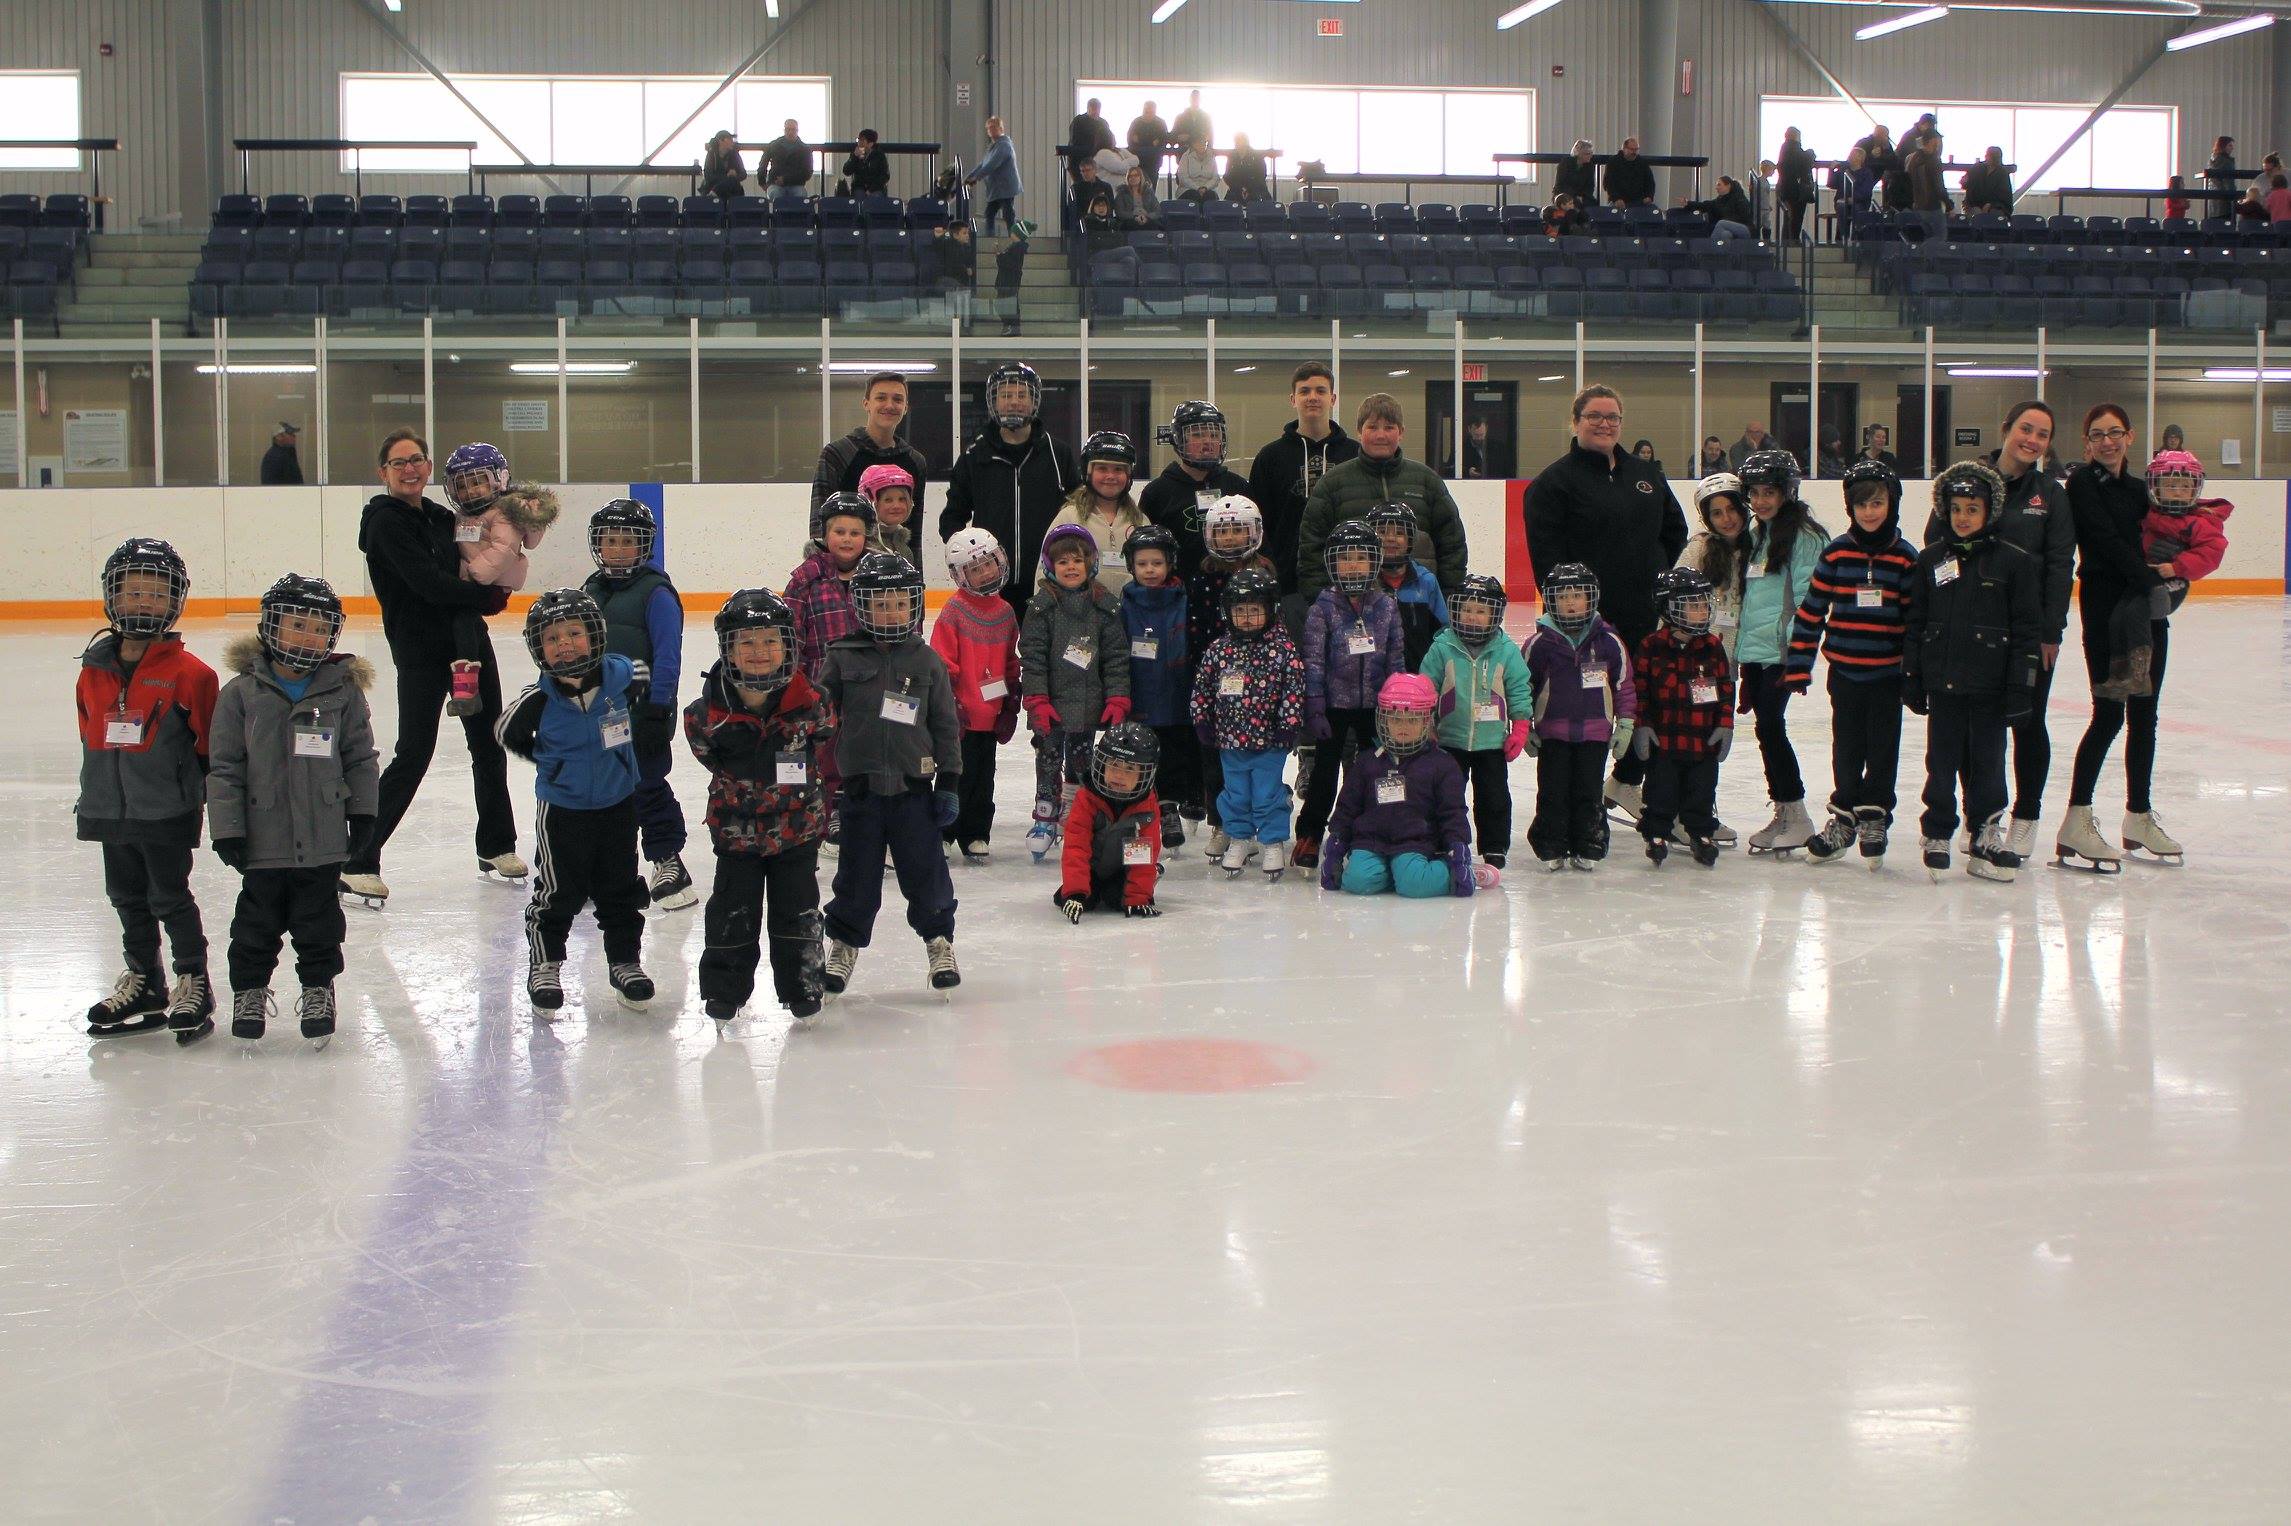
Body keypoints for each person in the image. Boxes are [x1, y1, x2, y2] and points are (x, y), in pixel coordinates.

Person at [343, 430, 520, 907]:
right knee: (414, 754)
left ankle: (497, 846)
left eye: (417, 460)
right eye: (398, 463)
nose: (409, 469)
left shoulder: (445, 517)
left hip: (469, 644)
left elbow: (476, 557)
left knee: (489, 744)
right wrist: (485, 597)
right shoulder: (383, 523)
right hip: (421, 650)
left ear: (428, 468)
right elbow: (427, 583)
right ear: (383, 473)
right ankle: (358, 858)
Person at [208, 575, 378, 1044]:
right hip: (263, 837)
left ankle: (319, 989)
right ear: (270, 627)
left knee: (319, 922)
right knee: (255, 924)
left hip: (323, 838)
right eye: (296, 625)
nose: (307, 637)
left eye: (318, 629)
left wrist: (363, 814)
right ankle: (250, 991)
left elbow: (361, 757)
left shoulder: (342, 692)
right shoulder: (240, 694)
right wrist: (228, 828)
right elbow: (224, 768)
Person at [1521, 384, 1688, 825]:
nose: (1605, 424)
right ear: (1575, 422)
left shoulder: (1647, 475)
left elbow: (1674, 532)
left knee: (1650, 705)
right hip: (1588, 627)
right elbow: (1546, 560)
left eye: (1612, 416)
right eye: (1594, 416)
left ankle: (1630, 783)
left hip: (1644, 616)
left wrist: (1656, 581)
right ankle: (1577, 807)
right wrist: (1570, 616)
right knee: (1588, 716)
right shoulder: (1553, 484)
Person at [77, 537, 220, 1041]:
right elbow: (89, 734)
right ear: (112, 598)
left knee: (169, 896)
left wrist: (200, 805)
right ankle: (145, 981)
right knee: (125, 897)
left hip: (165, 810)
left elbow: (209, 751)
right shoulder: (91, 669)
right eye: (132, 592)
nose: (143, 603)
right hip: (109, 808)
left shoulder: (193, 675)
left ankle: (192, 979)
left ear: (175, 602)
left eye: (156, 595)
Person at [1919, 400, 2072, 861]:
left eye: (2042, 434)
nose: (2032, 440)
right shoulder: (1968, 479)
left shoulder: (2051, 493)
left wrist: (2050, 631)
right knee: (1967, 728)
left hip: (2025, 633)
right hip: (1968, 628)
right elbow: (1936, 542)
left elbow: (2061, 564)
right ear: (2005, 429)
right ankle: (1978, 819)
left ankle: (2024, 817)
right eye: (2026, 428)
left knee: (2026, 722)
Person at [497, 589, 655, 1013]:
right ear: (538, 649)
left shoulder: (620, 677)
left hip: (618, 804)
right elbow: (505, 731)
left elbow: (640, 671)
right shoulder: (537, 701)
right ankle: (545, 963)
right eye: (551, 638)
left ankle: (625, 961)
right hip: (563, 812)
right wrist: (548, 763)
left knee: (619, 888)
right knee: (558, 891)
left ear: (595, 636)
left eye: (574, 633)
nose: (564, 644)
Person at [684, 588, 833, 1025]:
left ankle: (803, 985)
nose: (759, 652)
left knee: (798, 911)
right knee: (732, 912)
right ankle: (724, 989)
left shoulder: (813, 703)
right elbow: (704, 751)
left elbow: (822, 737)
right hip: (736, 835)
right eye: (746, 642)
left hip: (798, 831)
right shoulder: (706, 714)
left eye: (770, 640)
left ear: (788, 645)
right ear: (727, 649)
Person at [818, 553, 963, 994]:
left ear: (915, 604)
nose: (890, 612)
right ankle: (843, 945)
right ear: (860, 606)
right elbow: (819, 714)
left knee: (926, 872)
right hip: (860, 791)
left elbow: (944, 725)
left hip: (913, 791)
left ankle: (939, 940)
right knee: (856, 876)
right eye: (880, 604)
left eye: (899, 603)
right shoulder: (841, 657)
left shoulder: (927, 661)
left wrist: (950, 781)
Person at [2054, 418, 2184, 872]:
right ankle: (2077, 818)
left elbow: (2166, 533)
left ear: (2129, 437)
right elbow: (2106, 542)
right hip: (2107, 613)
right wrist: (2150, 578)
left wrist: (2178, 567)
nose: (2107, 441)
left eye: (2115, 433)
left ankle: (2139, 816)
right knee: (2108, 714)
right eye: (2097, 435)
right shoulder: (2081, 485)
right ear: (2087, 443)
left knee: (2145, 715)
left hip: (2146, 612)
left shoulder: (2140, 488)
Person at [1903, 463, 2042, 884]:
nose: (1963, 517)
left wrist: (2021, 688)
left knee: (1988, 762)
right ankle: (1938, 831)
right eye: (1957, 508)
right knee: (1941, 762)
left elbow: (2025, 632)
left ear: (1990, 512)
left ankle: (1985, 829)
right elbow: (1915, 623)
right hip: (1944, 685)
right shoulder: (1931, 561)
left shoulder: (2013, 563)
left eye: (1973, 509)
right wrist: (1913, 674)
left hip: (1990, 688)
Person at [1784, 460, 1917, 867]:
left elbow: (1915, 624)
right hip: (1844, 674)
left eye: (1877, 503)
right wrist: (1798, 664)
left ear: (1891, 503)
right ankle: (1843, 817)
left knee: (1882, 751)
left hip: (1887, 676)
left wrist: (1914, 676)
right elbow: (1811, 612)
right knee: (1846, 749)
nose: (1869, 512)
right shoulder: (1837, 553)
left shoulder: (1905, 558)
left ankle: (1874, 815)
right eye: (1861, 505)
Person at [581, 500, 690, 912]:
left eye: (628, 541)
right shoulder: (591, 589)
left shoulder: (656, 592)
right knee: (604, 791)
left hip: (644, 711)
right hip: (598, 713)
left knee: (645, 785)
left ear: (644, 545)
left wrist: (658, 706)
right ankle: (609, 866)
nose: (619, 549)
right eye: (610, 541)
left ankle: (668, 861)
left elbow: (668, 654)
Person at [1292, 521, 1405, 873]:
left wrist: (1395, 704)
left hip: (1375, 706)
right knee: (1324, 773)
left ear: (1375, 562)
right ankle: (1310, 833)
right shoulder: (1322, 609)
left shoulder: (1386, 607)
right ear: (1332, 563)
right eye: (1345, 558)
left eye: (1361, 557)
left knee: (1377, 770)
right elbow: (1311, 662)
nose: (1353, 565)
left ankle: (1373, 830)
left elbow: (1396, 657)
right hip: (1333, 707)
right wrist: (1315, 707)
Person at [1731, 448, 1825, 856]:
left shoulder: (1804, 537)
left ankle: (1797, 812)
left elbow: (1809, 600)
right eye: (1754, 493)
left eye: (1770, 491)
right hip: (1754, 652)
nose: (1761, 501)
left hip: (1780, 653)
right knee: (1766, 729)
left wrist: (1796, 655)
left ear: (1788, 491)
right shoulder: (1756, 535)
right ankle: (1786, 810)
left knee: (1772, 728)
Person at [1020, 525, 1131, 862]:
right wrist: (1037, 699)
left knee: (1081, 761)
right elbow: (1033, 657)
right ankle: (1045, 814)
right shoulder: (1041, 608)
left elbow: (1115, 659)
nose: (1070, 567)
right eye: (1063, 562)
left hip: (1087, 703)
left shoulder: (1105, 608)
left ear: (1090, 565)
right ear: (1050, 566)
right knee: (1048, 759)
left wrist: (1117, 697)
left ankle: (1075, 811)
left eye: (1077, 561)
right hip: (1051, 706)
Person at [1315, 673, 1476, 899]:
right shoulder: (1367, 761)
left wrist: (1458, 851)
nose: (1403, 726)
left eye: (1412, 720)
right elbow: (1347, 807)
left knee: (1415, 885)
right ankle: (1396, 873)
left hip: (1416, 842)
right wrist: (1336, 845)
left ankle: (1443, 871)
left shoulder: (1442, 764)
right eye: (1395, 718)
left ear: (1426, 721)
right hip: (1370, 841)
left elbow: (1452, 813)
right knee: (1357, 882)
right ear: (1383, 720)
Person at [939, 363, 1078, 620]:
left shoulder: (1059, 455)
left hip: (1047, 581)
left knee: (1042, 657)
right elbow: (952, 517)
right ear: (994, 401)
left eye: (1021, 395)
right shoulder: (974, 457)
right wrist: (968, 559)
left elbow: (1079, 511)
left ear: (1034, 400)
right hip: (989, 585)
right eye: (1005, 395)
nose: (1014, 402)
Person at [1191, 568, 1305, 878]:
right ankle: (1239, 837)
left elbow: (1293, 691)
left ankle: (1272, 841)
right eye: (1239, 611)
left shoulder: (1282, 650)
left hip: (1269, 741)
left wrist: (1288, 724)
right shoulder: (1219, 650)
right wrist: (1202, 719)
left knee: (1267, 793)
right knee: (1236, 793)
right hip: (1230, 739)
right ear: (1227, 613)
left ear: (1270, 611)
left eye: (1254, 611)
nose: (1247, 618)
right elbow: (1202, 688)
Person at [1296, 393, 1469, 598]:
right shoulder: (1332, 483)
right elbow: (1311, 549)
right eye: (1372, 427)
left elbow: (1452, 545)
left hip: (1420, 607)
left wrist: (1449, 597)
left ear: (1401, 432)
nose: (1381, 435)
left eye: (1389, 427)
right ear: (1359, 432)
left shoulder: (1427, 481)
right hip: (1351, 606)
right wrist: (1324, 603)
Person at [1522, 562, 1636, 870]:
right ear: (1551, 600)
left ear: (1591, 598)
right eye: (1563, 596)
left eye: (1578, 595)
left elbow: (1624, 685)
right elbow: (1523, 687)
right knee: (1552, 792)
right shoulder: (1539, 644)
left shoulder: (1609, 641)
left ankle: (1589, 842)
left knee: (1588, 792)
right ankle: (1551, 843)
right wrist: (1523, 726)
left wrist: (1625, 723)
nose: (1571, 602)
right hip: (1553, 734)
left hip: (1595, 734)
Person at [786, 491, 877, 854]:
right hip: (820, 684)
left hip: (869, 683)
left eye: (855, 532)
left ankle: (862, 814)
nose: (847, 539)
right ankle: (827, 813)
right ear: (825, 534)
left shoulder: (878, 574)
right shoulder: (805, 579)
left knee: (865, 751)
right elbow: (791, 635)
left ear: (866, 536)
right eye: (839, 531)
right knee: (825, 753)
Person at [1188, 497, 1279, 857]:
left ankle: (1261, 826)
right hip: (1217, 681)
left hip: (1258, 687)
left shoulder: (1266, 574)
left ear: (1254, 531)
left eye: (1237, 529)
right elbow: (1194, 630)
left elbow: (1277, 630)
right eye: (1222, 531)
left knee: (1259, 767)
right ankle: (1221, 824)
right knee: (1216, 762)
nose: (1229, 538)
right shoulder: (1203, 576)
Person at [1421, 574, 1531, 869]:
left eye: (1481, 611)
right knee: (1447, 795)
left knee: (1494, 798)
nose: (1473, 616)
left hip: (1491, 742)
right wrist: (1426, 725)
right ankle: (1447, 840)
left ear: (1494, 615)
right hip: (1449, 740)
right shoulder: (1442, 648)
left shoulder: (1506, 651)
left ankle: (1494, 846)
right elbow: (1426, 688)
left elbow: (1519, 688)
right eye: (1467, 609)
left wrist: (1520, 727)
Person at [927, 529, 1022, 863]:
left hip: (991, 714)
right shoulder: (953, 612)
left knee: (984, 777)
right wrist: (949, 702)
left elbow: (1011, 660)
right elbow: (941, 661)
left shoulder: (1006, 612)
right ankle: (944, 832)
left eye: (989, 564)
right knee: (955, 775)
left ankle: (976, 832)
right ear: (959, 575)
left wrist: (1011, 699)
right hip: (961, 716)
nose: (985, 572)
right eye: (975, 568)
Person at [443, 443, 558, 717]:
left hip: (488, 585)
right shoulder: (468, 514)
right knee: (461, 624)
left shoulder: (504, 512)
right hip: (474, 581)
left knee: (462, 620)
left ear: (499, 479)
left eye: (478, 482)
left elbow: (503, 550)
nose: (470, 491)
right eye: (463, 485)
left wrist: (471, 575)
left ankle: (466, 688)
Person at [1628, 566, 1732, 868]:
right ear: (1668, 607)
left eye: (1703, 604)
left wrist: (1725, 724)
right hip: (1665, 741)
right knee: (1661, 790)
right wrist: (1643, 725)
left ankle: (1700, 833)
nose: (1701, 611)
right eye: (1692, 605)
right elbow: (1641, 691)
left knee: (1701, 790)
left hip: (1703, 740)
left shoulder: (1713, 647)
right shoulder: (1651, 646)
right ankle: (1657, 833)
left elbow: (1725, 689)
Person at [1246, 362, 1359, 592]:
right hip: (1286, 582)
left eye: (1320, 391)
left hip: (1347, 580)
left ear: (1333, 399)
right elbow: (1258, 521)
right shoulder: (1270, 457)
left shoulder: (1355, 454)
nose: (1312, 397)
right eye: (1304, 391)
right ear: (1293, 399)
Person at [1119, 525, 1196, 852]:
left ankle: (1169, 807)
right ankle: (1142, 815)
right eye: (1142, 564)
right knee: (1139, 759)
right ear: (1131, 567)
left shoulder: (1184, 601)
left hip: (1177, 697)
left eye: (1157, 563)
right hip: (1139, 697)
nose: (1150, 570)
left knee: (1175, 756)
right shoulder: (1123, 605)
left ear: (1170, 564)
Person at [1055, 724, 1166, 921]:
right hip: (1092, 869)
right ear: (1101, 764)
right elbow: (1076, 848)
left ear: (1144, 774)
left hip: (1121, 870)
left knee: (1119, 901)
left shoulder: (1146, 807)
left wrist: (1139, 897)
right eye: (1113, 764)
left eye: (1130, 768)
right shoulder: (1086, 798)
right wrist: (1075, 892)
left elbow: (1143, 857)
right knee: (1080, 900)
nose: (1119, 775)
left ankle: (1152, 876)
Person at [1141, 399, 1251, 577]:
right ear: (1178, 439)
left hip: (1234, 592)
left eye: (1214, 435)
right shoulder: (1157, 493)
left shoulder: (1238, 487)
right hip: (1177, 592)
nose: (1208, 442)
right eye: (1198, 435)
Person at [812, 371, 930, 514]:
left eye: (898, 400)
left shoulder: (916, 461)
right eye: (881, 398)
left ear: (905, 407)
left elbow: (914, 525)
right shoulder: (837, 454)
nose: (889, 405)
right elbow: (820, 519)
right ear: (866, 404)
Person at [1052, 430, 1152, 594]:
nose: (1110, 476)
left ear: (1129, 475)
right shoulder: (1069, 518)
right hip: (1080, 616)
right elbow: (1045, 571)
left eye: (1119, 469)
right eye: (1102, 468)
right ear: (1088, 471)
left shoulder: (1140, 522)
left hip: (1129, 616)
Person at [1367, 500, 1449, 671]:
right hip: (1375, 680)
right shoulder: (1364, 583)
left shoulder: (1426, 581)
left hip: (1418, 678)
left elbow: (1443, 631)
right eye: (1382, 532)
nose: (1390, 538)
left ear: (1410, 540)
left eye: (1399, 533)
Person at [966, 118, 1022, 237]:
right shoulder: (993, 147)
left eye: (993, 127)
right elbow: (983, 164)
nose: (990, 130)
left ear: (1001, 129)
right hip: (996, 189)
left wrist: (976, 178)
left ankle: (1014, 239)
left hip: (1005, 187)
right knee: (991, 213)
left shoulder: (1004, 145)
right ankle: (991, 238)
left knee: (1007, 214)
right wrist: (969, 177)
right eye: (988, 128)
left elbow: (992, 164)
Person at [857, 462, 918, 565]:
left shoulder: (905, 550)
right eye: (888, 500)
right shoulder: (860, 547)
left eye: (902, 499)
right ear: (870, 501)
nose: (896, 506)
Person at [1681, 175, 1752, 240]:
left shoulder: (1740, 199)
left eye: (1719, 185)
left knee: (1721, 223)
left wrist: (1728, 221)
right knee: (1725, 234)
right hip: (1729, 228)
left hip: (1744, 228)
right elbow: (1705, 205)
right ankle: (1724, 253)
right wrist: (1688, 203)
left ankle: (1710, 248)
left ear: (1728, 186)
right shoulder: (1719, 201)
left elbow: (1744, 217)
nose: (1716, 188)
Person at [761, 119, 812, 207]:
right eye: (788, 129)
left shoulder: (805, 149)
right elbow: (763, 164)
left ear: (797, 131)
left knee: (800, 194)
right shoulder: (773, 146)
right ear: (784, 130)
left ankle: (796, 219)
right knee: (775, 194)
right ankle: (778, 219)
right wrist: (762, 182)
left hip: (796, 184)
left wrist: (785, 179)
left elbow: (807, 172)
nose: (790, 132)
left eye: (793, 130)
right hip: (775, 184)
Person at [1777, 127, 1817, 240]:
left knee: (1789, 217)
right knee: (1796, 217)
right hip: (1795, 190)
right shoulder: (1793, 148)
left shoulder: (1784, 149)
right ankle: (1792, 240)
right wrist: (1811, 153)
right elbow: (1803, 161)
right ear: (1796, 136)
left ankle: (1788, 240)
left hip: (1787, 188)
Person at [1066, 98, 1117, 184]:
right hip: (1079, 161)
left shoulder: (1103, 123)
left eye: (1097, 109)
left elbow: (1109, 140)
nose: (1095, 112)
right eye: (1093, 109)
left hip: (1097, 161)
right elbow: (1075, 142)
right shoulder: (1078, 121)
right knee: (1081, 186)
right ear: (1088, 108)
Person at [1128, 102, 1171, 186]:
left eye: (1150, 111)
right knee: (1137, 187)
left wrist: (1140, 140)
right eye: (1146, 111)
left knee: (1151, 187)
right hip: (1138, 161)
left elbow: (1164, 140)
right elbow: (1131, 140)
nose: (1148, 114)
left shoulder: (1160, 123)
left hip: (1154, 161)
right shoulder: (1136, 122)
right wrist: (1151, 142)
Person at [1604, 137, 1656, 206]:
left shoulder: (1642, 163)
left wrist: (1649, 196)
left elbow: (1650, 182)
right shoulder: (1613, 162)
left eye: (1636, 149)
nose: (1634, 152)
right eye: (1632, 149)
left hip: (1640, 200)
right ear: (1624, 149)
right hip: (1618, 200)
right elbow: (1608, 183)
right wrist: (1616, 198)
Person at [1962, 146, 2013, 214]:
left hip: (1997, 206)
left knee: (1994, 214)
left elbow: (2004, 195)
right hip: (1974, 204)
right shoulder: (1976, 168)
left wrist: (1991, 205)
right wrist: (1964, 182)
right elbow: (1966, 185)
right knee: (1976, 213)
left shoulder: (2002, 173)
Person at [842, 129, 891, 199]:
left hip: (876, 188)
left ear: (870, 144)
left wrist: (871, 190)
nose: (859, 143)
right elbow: (846, 171)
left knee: (875, 198)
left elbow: (884, 176)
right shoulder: (855, 154)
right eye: (858, 140)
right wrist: (854, 157)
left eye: (862, 141)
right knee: (859, 197)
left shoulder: (879, 155)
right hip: (859, 187)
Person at [701, 130, 747, 202]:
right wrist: (727, 177)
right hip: (713, 186)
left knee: (732, 181)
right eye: (729, 139)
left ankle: (714, 193)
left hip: (730, 190)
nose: (732, 141)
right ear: (720, 141)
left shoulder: (735, 154)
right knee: (731, 180)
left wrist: (735, 175)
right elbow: (708, 176)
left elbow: (743, 174)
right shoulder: (712, 154)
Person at [1224, 135, 1270, 205]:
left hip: (1255, 188)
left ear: (1246, 142)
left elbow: (1262, 175)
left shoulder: (1257, 156)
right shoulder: (1231, 156)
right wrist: (1240, 188)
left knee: (1259, 202)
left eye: (1241, 142)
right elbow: (1227, 176)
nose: (1239, 144)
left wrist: (1248, 189)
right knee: (1226, 207)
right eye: (1237, 142)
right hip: (1235, 188)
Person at [1176, 136, 1222, 203]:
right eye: (1200, 143)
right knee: (1194, 196)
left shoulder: (1211, 156)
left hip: (1208, 189)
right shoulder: (1186, 157)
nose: (1203, 145)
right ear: (1194, 144)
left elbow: (1215, 178)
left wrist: (1205, 188)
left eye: (1204, 143)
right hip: (1188, 189)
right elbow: (1183, 178)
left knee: (1211, 196)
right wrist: (1197, 188)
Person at [1114, 164, 1160, 228]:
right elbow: (1119, 212)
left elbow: (1157, 211)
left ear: (1141, 177)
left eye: (1136, 175)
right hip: (1129, 221)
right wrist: (1135, 216)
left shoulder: (1149, 192)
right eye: (1130, 176)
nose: (1133, 178)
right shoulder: (1122, 192)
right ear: (1127, 178)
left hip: (1147, 219)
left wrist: (1146, 217)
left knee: (1156, 225)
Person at [1554, 140, 1598, 206]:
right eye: (1587, 154)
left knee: (1593, 203)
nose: (1590, 156)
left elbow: (1590, 185)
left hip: (1581, 195)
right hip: (1564, 194)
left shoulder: (1589, 166)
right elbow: (1561, 184)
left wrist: (1583, 196)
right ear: (1578, 153)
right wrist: (1575, 196)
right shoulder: (1566, 163)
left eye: (1591, 153)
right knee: (1573, 203)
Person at [1172, 91, 1212, 155]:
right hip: (1184, 153)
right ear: (1190, 99)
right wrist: (1178, 138)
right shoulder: (1180, 117)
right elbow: (1173, 135)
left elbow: (1210, 136)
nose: (1195, 100)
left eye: (1197, 98)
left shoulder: (1206, 117)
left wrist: (1209, 153)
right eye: (1193, 98)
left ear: (1200, 100)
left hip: (1200, 154)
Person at [2203, 136, 2237, 201]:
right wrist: (2233, 196)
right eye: (2230, 145)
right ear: (2223, 146)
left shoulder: (2213, 161)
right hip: (2225, 197)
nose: (2232, 148)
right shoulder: (2226, 162)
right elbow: (2229, 182)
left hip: (2213, 197)